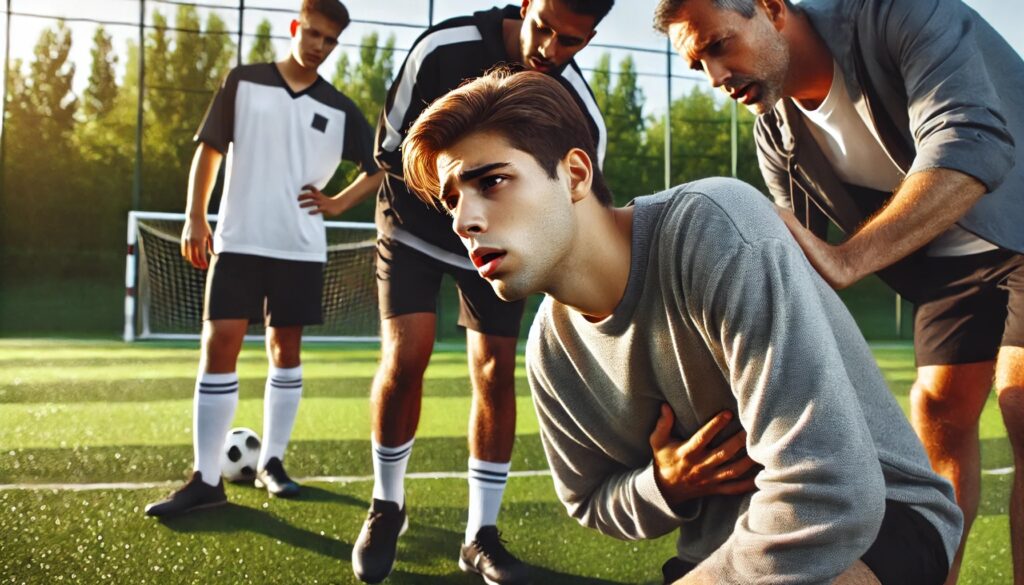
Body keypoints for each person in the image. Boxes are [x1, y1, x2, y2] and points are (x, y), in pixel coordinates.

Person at [401, 69, 963, 584]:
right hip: (722, 551)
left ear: (574, 174)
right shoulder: (549, 348)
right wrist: (664, 485)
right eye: (452, 200)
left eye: (492, 182)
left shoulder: (714, 226)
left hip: (882, 520)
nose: (464, 220)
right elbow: (589, 500)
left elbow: (831, 494)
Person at [653, 0, 1024, 581]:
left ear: (772, 8)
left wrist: (848, 259)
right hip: (945, 268)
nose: (716, 79)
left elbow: (972, 141)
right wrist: (706, 418)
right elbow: (789, 280)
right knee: (938, 414)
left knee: (1021, 405)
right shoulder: (776, 136)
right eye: (699, 66)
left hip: (1021, 222)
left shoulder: (901, 13)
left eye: (719, 46)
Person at [350, 1, 611, 583]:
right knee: (407, 353)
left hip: (500, 246)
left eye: (570, 41)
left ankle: (480, 536)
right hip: (414, 226)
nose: (549, 48)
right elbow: (388, 149)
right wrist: (466, 199)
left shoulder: (577, 110)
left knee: (494, 371)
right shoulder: (443, 48)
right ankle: (386, 504)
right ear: (526, 4)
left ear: (591, 35)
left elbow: (581, 201)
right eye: (542, 26)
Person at [145, 0, 382, 518]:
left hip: (299, 246)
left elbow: (382, 164)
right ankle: (206, 479)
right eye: (314, 34)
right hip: (238, 239)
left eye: (330, 41)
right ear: (296, 27)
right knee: (219, 342)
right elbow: (208, 151)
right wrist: (195, 217)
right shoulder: (243, 81)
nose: (320, 47)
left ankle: (272, 463)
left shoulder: (340, 108)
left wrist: (339, 202)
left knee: (286, 347)